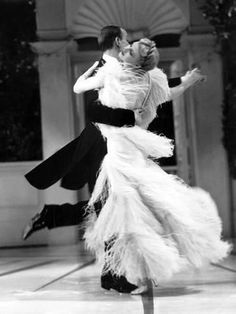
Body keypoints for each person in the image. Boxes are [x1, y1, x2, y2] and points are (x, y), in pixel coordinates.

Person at [22, 25, 203, 293]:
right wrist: (134, 118)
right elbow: (95, 112)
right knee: (113, 209)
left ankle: (59, 223)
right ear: (118, 41)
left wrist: (185, 81)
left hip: (122, 148)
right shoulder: (101, 69)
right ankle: (112, 273)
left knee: (112, 209)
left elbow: (155, 88)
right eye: (127, 40)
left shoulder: (125, 68)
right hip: (101, 149)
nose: (129, 43)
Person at [73, 38, 230, 295]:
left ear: (136, 61)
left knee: (129, 217)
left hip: (125, 157)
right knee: (126, 215)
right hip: (125, 156)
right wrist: (187, 81)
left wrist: (90, 73)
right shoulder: (146, 80)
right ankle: (116, 274)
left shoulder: (121, 77)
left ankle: (125, 272)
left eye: (130, 50)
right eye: (127, 46)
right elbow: (168, 92)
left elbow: (80, 88)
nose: (124, 49)